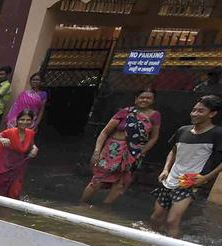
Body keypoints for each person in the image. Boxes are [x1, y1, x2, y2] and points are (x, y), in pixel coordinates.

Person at [150, 95, 222, 238]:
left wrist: (205, 178)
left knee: (172, 221)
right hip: (170, 180)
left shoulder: (217, 133)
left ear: (212, 114)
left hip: (190, 183)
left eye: (200, 111)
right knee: (155, 218)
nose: (194, 113)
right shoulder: (183, 130)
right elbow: (173, 151)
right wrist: (165, 169)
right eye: (194, 110)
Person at [81, 89, 162, 206]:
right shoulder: (125, 112)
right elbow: (104, 133)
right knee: (97, 180)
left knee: (121, 183)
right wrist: (97, 152)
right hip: (113, 150)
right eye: (142, 97)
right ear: (136, 99)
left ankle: (103, 210)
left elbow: (154, 138)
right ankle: (82, 205)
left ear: (153, 100)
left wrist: (141, 152)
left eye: (148, 98)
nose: (144, 100)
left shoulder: (155, 116)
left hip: (134, 153)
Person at [0, 109, 39, 199]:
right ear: (17, 120)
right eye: (22, 119)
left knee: (14, 194)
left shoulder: (30, 133)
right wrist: (0, 140)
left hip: (18, 169)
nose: (25, 122)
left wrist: (35, 148)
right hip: (2, 169)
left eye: (28, 120)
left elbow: (31, 145)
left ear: (31, 122)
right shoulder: (8, 132)